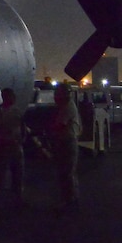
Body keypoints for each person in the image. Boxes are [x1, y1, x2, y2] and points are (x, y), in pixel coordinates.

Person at [46, 83, 82, 213]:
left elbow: (60, 125)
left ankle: (70, 201)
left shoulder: (67, 107)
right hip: (65, 142)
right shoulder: (65, 107)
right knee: (66, 172)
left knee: (67, 172)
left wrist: (48, 131)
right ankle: (70, 199)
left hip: (67, 142)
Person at [0, 88, 23, 202]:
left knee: (17, 174)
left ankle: (17, 198)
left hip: (14, 145)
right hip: (3, 146)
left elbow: (21, 126)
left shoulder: (16, 110)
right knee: (0, 174)